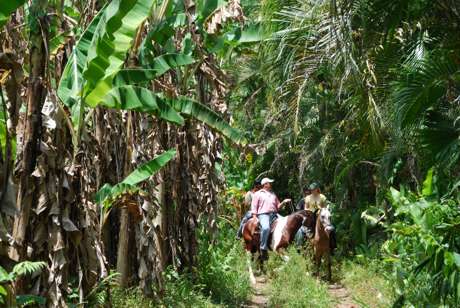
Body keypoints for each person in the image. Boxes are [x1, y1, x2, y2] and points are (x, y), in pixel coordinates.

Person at [251, 177, 291, 259]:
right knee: (266, 228)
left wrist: (284, 202)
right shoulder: (258, 194)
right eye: (269, 183)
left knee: (287, 222)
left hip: (275, 214)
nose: (271, 184)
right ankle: (263, 248)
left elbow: (278, 206)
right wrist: (255, 217)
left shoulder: (273, 194)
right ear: (265, 184)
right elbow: (254, 207)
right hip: (263, 215)